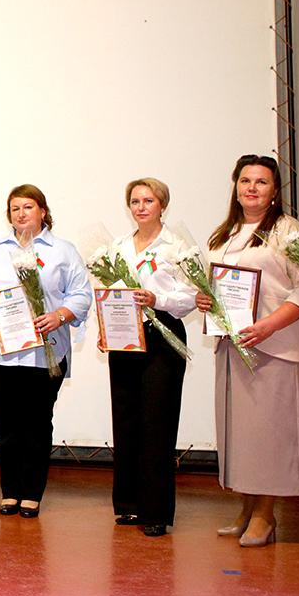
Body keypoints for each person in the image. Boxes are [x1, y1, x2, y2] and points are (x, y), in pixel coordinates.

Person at [196, 154, 299, 548]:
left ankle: (266, 514)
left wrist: (268, 326)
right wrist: (204, 299)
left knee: (269, 435)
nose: (252, 188)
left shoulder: (287, 231)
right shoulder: (223, 234)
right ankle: (247, 508)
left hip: (273, 346)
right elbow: (214, 285)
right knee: (242, 436)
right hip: (233, 347)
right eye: (245, 180)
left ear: (275, 190)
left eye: (261, 182)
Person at [0, 184, 90, 517]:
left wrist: (59, 315)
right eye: (15, 209)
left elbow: (81, 295)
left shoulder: (63, 251)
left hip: (45, 354)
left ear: (43, 211)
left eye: (28, 207)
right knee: (5, 426)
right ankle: (10, 491)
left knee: (36, 425)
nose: (21, 214)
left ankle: (32, 492)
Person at [101, 178, 195, 536]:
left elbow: (192, 296)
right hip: (125, 336)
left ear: (162, 206)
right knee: (125, 419)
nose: (141, 207)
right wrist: (106, 329)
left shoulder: (178, 246)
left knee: (158, 423)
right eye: (135, 202)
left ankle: (155, 511)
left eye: (149, 201)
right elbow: (109, 293)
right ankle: (128, 505)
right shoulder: (117, 246)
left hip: (163, 334)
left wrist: (159, 300)